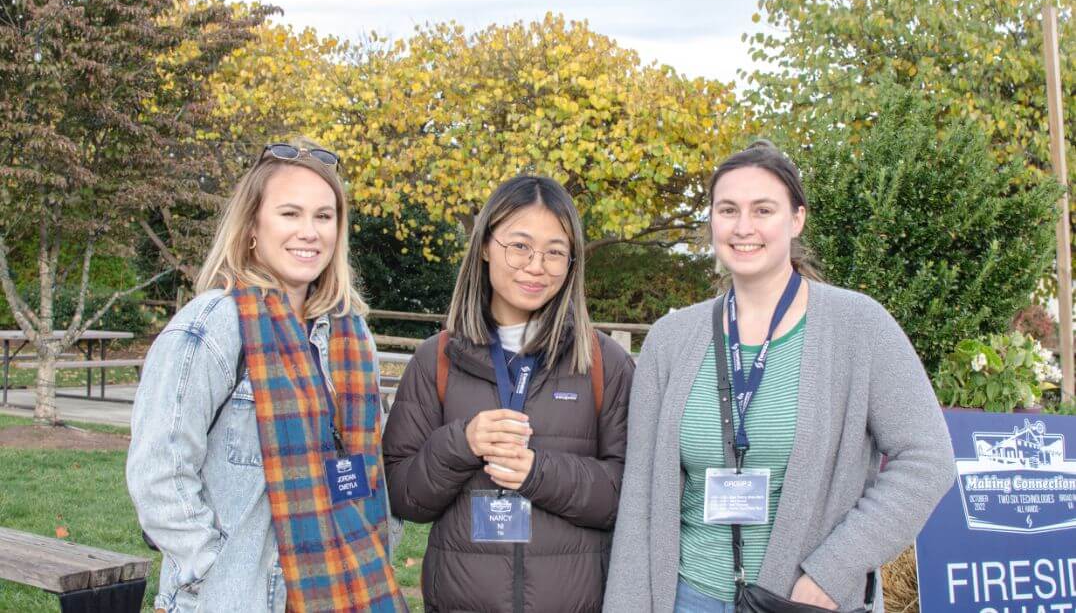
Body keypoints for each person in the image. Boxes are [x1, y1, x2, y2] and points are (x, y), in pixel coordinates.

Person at [603, 141, 956, 612]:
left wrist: (833, 571)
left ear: (796, 219)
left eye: (763, 209)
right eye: (728, 209)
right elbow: (640, 500)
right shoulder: (670, 340)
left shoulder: (858, 327)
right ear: (711, 221)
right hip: (686, 597)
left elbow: (928, 461)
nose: (743, 227)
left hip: (802, 602)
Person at [127, 140, 406, 612]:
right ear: (253, 225)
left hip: (349, 590)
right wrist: (210, 571)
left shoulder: (351, 336)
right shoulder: (211, 326)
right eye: (290, 213)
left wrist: (378, 543)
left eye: (324, 216)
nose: (309, 232)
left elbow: (370, 466)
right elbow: (159, 470)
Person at [383, 175, 634, 613]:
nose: (536, 266)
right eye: (519, 246)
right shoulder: (436, 359)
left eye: (555, 252)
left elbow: (629, 496)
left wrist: (538, 472)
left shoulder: (604, 363)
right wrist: (461, 443)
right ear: (485, 246)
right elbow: (403, 495)